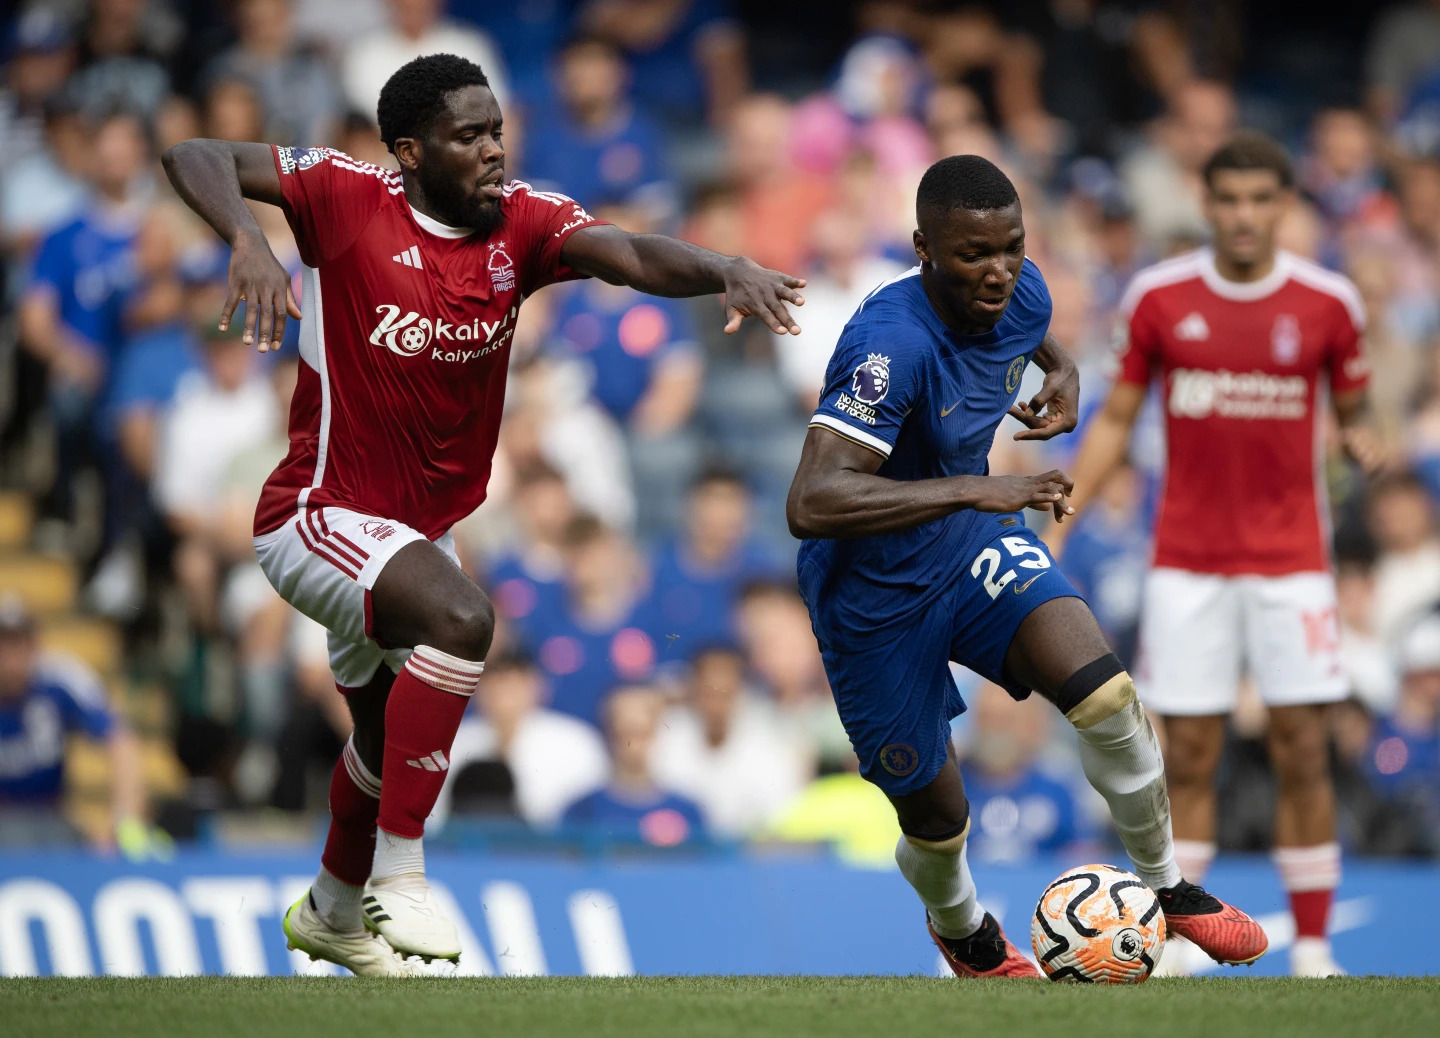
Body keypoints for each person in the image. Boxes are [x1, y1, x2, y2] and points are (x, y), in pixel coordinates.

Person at [161, 51, 803, 977]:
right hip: (316, 510)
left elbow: (626, 252)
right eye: (469, 136)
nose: (494, 149)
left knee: (381, 739)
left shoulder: (524, 227)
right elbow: (192, 152)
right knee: (463, 618)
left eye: (497, 129)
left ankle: (335, 911)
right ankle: (406, 876)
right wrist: (248, 239)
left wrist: (723, 266)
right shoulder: (345, 195)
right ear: (410, 151)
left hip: (419, 530)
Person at [785, 153, 1265, 979]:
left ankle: (1168, 887)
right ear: (923, 248)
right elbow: (811, 501)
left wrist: (1067, 369)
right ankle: (965, 930)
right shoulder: (888, 346)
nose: (999, 270)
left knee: (1108, 694)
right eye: (973, 254)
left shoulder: (1020, 287)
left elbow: (1030, 326)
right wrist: (976, 485)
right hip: (871, 593)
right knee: (938, 816)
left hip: (970, 547)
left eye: (1011, 246)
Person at [1054, 133, 1379, 977]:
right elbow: (1119, 419)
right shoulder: (1160, 298)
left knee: (1304, 747)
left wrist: (1367, 443)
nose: (1243, 216)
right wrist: (1068, 509)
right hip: (1187, 562)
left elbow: (1357, 410)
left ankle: (1312, 947)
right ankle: (1179, 943)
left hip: (1293, 562)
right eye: (1228, 199)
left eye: (1259, 200)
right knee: (1184, 754)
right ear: (1206, 203)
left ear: (1284, 205)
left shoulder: (1329, 303)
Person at [0, 595, 146, 852]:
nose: (11, 660)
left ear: (34, 646)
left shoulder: (58, 680)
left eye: (19, 645)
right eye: (3, 646)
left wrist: (123, 821)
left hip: (51, 821)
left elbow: (120, 741)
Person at [559, 684, 706, 845]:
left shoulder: (688, 810)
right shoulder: (583, 810)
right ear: (608, 730)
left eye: (642, 731)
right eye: (626, 732)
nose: (634, 744)